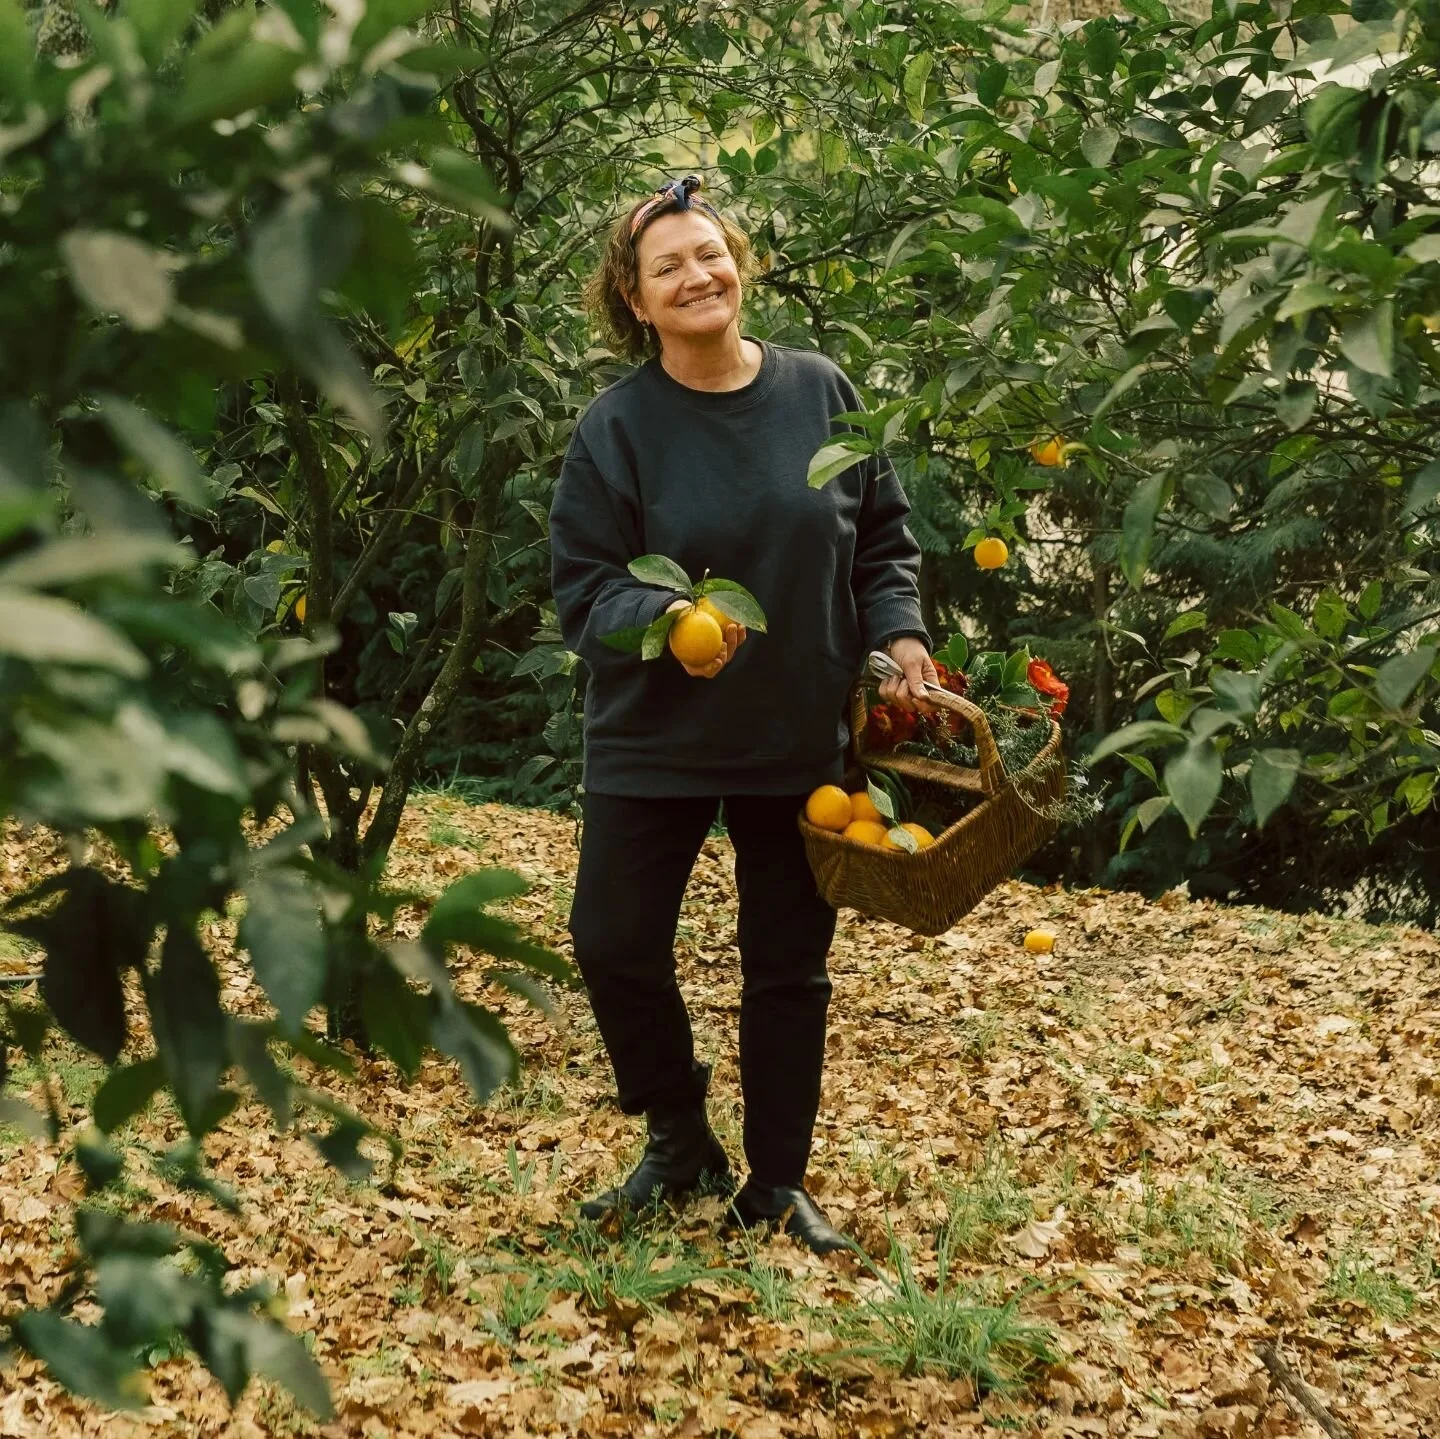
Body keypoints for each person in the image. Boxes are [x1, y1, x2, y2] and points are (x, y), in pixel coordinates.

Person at [548, 175, 937, 1254]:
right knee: (611, 940)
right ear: (633, 299)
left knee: (786, 964)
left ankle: (776, 1179)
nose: (696, 275)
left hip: (796, 735)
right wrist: (668, 614)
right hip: (651, 733)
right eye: (666, 265)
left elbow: (882, 540)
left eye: (708, 253)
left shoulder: (822, 392)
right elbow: (584, 587)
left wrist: (899, 633)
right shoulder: (615, 429)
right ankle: (679, 1138)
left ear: (741, 262)